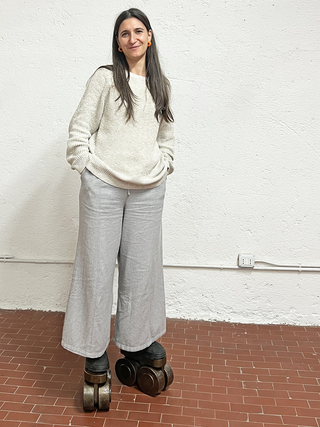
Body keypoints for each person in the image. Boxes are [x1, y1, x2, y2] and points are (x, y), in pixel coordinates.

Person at [61, 8, 174, 399]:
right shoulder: (106, 79)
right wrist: (87, 168)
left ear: (150, 36)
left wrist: (165, 166)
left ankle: (135, 341)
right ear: (118, 41)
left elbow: (167, 139)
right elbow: (79, 128)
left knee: (141, 272)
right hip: (104, 188)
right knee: (95, 270)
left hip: (148, 191)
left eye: (138, 31)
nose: (131, 38)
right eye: (124, 33)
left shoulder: (162, 86)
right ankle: (94, 352)